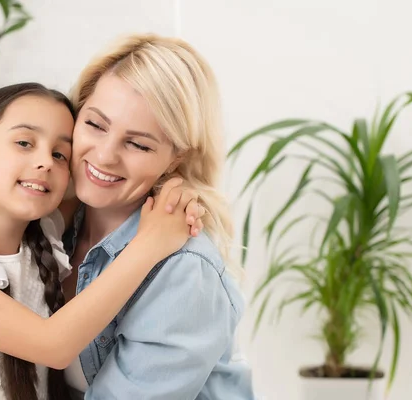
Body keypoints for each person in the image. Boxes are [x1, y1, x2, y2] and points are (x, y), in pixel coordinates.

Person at [0, 82, 206, 400]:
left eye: (60, 154)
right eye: (24, 142)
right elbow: (53, 346)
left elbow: (96, 173)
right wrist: (150, 244)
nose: (46, 162)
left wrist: (173, 188)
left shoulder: (43, 232)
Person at [59, 33, 255, 399]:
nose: (104, 156)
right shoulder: (56, 226)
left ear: (176, 158)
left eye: (138, 144)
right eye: (96, 125)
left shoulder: (183, 268)